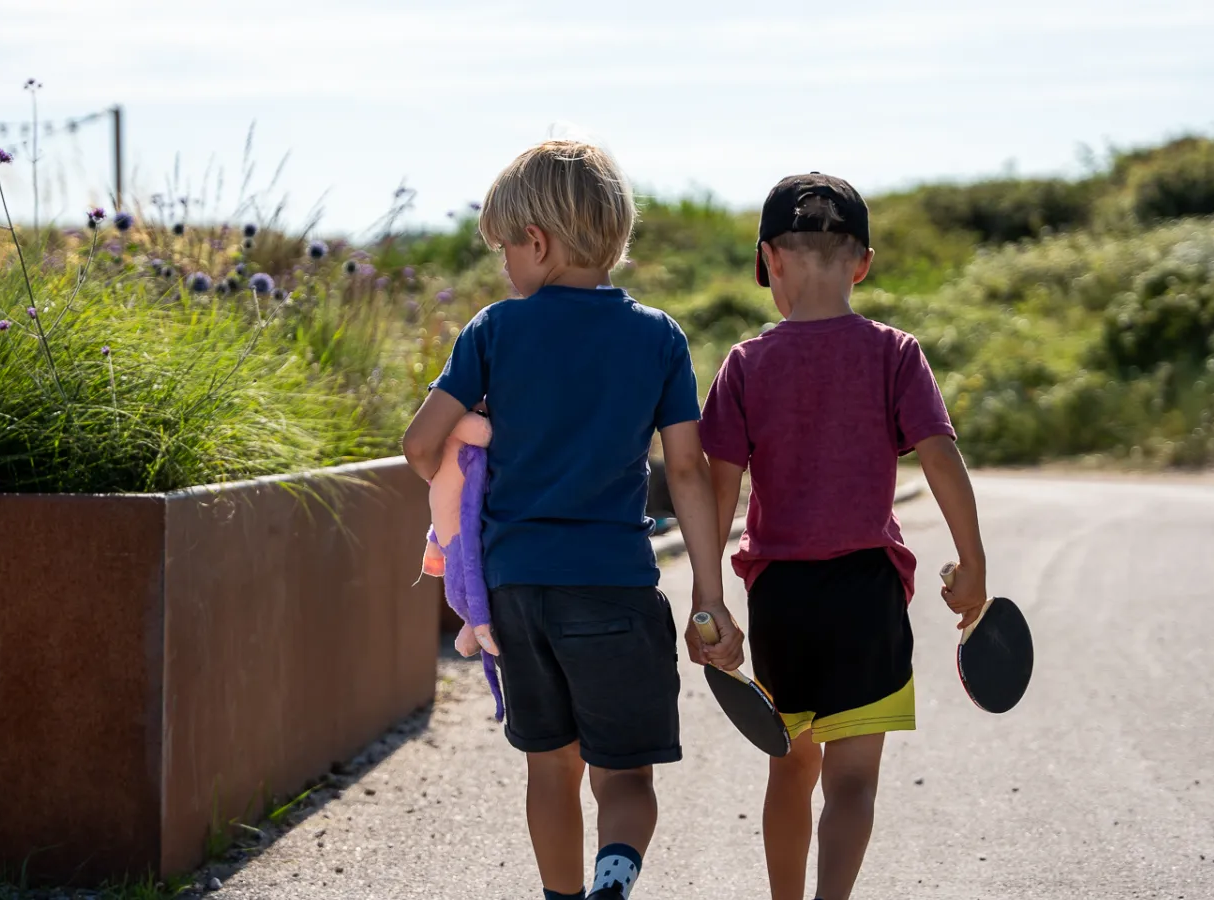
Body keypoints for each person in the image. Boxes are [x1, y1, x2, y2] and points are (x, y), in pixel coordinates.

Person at [404, 139, 741, 900]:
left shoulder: (494, 331)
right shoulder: (658, 336)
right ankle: (613, 877)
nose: (504, 269)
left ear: (539, 242)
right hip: (614, 588)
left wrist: (470, 479)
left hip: (517, 592)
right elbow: (686, 470)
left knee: (548, 767)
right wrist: (708, 596)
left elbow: (421, 445)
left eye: (503, 251)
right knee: (625, 779)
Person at [696, 173, 990, 900]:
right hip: (867, 590)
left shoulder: (746, 364)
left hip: (783, 596)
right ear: (862, 262)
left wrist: (709, 601)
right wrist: (974, 563)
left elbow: (716, 490)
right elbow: (941, 457)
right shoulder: (895, 352)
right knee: (853, 779)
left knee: (788, 766)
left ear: (770, 262)